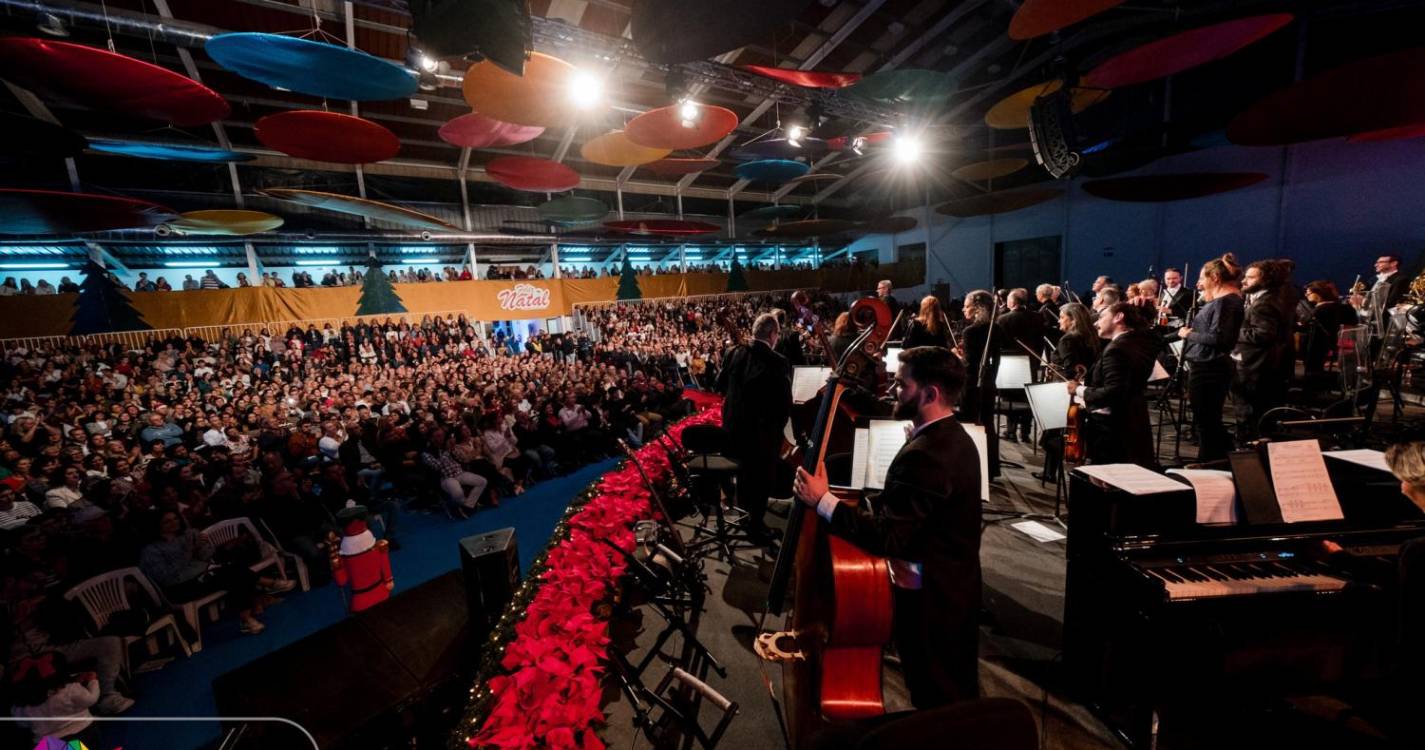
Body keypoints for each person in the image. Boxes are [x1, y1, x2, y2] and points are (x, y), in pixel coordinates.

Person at [793, 346, 981, 708]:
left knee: (937, 696)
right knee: (949, 689)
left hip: (932, 601)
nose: (892, 391)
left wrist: (823, 501)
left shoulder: (927, 454)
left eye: (901, 385)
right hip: (954, 586)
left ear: (930, 394)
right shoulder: (953, 437)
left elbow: (889, 537)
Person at [716, 312, 791, 540]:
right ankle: (755, 525)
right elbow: (783, 406)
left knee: (743, 473)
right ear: (772, 334)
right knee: (761, 477)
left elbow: (719, 385)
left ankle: (744, 513)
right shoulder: (778, 362)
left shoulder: (733, 352)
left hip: (731, 434)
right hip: (760, 438)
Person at [1067, 302, 1158, 468]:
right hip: (1134, 417)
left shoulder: (1117, 349)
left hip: (1111, 428)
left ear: (1119, 317)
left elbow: (1113, 391)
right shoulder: (1141, 341)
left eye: (1101, 317)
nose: (1096, 323)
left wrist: (1079, 389)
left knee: (1105, 477)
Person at [1178, 253, 1244, 461]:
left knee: (1206, 420)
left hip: (1210, 367)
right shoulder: (1223, 302)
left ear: (1215, 277)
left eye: (1203, 278)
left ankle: (1210, 462)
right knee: (1206, 419)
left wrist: (1189, 335)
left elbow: (1220, 339)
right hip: (1207, 365)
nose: (1201, 283)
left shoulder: (1226, 303)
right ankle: (1217, 458)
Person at [1036, 302, 1100, 482]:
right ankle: (1050, 472)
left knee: (1053, 432)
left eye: (1063, 317)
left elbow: (1071, 369)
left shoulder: (1068, 339)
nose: (1059, 321)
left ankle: (1051, 473)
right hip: (1084, 390)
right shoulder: (1091, 337)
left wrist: (1055, 369)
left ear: (1072, 320)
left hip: (1064, 391)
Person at [1232, 260, 1294, 440]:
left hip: (1255, 367)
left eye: (1250, 278)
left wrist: (1233, 331)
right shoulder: (1272, 298)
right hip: (1264, 366)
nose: (1244, 281)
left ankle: (1249, 452)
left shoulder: (1264, 303)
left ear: (1266, 280)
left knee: (1250, 415)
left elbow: (1264, 334)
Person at [955, 290, 1000, 476]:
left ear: (977, 308)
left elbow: (969, 364)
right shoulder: (995, 328)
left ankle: (971, 468)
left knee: (970, 423)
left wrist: (957, 356)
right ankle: (990, 469)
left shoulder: (970, 331)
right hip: (989, 384)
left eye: (966, 305)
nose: (963, 309)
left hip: (972, 385)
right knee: (988, 424)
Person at [329, 503, 393, 613]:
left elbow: (342, 582)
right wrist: (388, 581)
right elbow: (386, 571)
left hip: (360, 601)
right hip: (382, 593)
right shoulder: (379, 547)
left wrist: (336, 565)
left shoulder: (343, 558)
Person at [1301, 280, 1358, 373]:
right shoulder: (1346, 308)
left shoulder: (1320, 311)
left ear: (1319, 293)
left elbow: (1306, 325)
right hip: (1344, 346)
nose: (1306, 295)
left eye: (1308, 292)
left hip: (1321, 349)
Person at [1350, 253, 1410, 340]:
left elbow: (1392, 303)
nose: (1376, 265)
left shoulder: (1401, 279)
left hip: (1384, 324)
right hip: (1367, 322)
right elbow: (1364, 295)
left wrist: (1363, 302)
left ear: (1394, 263)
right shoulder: (1373, 279)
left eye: (1380, 262)